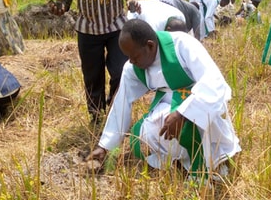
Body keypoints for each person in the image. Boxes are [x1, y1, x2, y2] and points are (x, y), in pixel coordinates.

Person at [86, 19, 241, 181]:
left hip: (201, 106)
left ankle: (207, 164)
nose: (131, 61)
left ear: (150, 46)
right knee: (141, 136)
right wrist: (104, 146)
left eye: (134, 56)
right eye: (128, 57)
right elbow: (121, 103)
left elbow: (214, 82)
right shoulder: (133, 67)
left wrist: (182, 114)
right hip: (167, 109)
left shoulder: (183, 45)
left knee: (191, 126)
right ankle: (181, 160)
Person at [49, 0, 138, 121]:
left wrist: (131, 0)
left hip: (116, 27)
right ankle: (96, 115)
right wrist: (61, 5)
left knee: (120, 71)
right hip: (87, 28)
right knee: (92, 76)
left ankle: (116, 109)